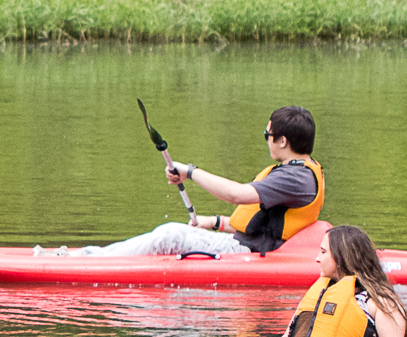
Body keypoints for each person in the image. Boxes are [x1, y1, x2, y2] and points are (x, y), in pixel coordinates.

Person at [173, 224, 407, 337]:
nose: (316, 258)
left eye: (322, 252)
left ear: (341, 258)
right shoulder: (318, 294)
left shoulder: (380, 301)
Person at [85, 105, 323, 258]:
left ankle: (90, 259)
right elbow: (262, 225)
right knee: (169, 234)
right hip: (243, 244)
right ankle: (96, 255)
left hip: (247, 252)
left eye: (267, 136)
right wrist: (214, 221)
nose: (266, 141)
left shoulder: (295, 178)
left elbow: (237, 195)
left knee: (171, 235)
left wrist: (189, 172)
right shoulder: (294, 172)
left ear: (282, 141)